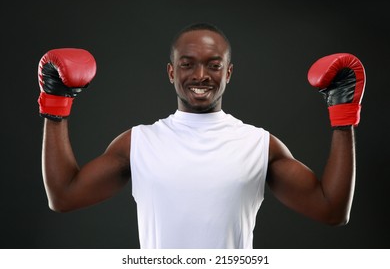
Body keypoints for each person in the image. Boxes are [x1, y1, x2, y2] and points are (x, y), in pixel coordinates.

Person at [37, 22, 365, 249]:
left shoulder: (258, 144)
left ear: (229, 73)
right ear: (171, 72)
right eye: (187, 64)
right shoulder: (138, 142)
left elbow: (332, 210)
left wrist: (342, 115)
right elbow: (64, 196)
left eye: (213, 65)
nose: (200, 75)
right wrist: (56, 105)